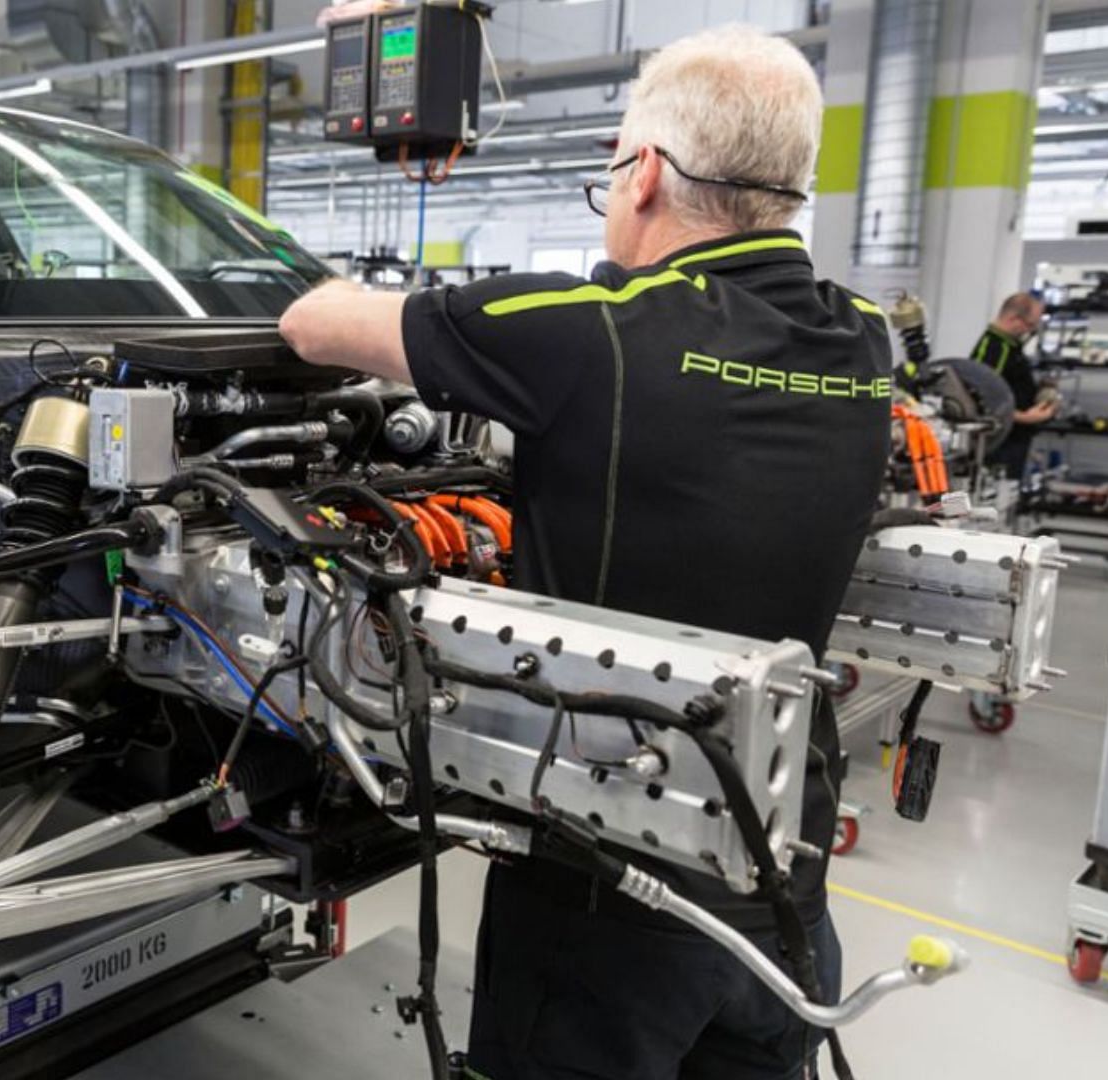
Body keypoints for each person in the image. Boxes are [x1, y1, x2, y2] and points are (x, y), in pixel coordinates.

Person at [279, 24, 891, 1080]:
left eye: (608, 174)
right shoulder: (865, 340)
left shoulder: (589, 328)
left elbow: (312, 325)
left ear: (645, 173)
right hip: (785, 855)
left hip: (613, 879)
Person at [971, 292, 1054, 481]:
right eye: (1030, 325)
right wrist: (1024, 417)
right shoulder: (993, 347)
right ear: (1014, 319)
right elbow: (979, 398)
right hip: (1000, 443)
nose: (1030, 331)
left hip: (1015, 441)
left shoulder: (1010, 346)